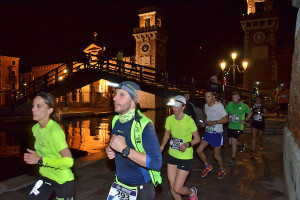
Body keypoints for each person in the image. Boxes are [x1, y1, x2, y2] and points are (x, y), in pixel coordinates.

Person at [105, 81, 162, 200]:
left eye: (122, 95)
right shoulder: (116, 120)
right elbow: (117, 145)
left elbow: (156, 163)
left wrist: (125, 149)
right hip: (119, 186)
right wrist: (110, 149)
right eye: (115, 94)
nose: (114, 98)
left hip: (141, 191)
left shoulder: (145, 125)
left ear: (133, 100)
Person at [24, 92, 74, 200]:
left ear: (50, 110)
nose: (33, 109)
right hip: (45, 177)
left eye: (38, 106)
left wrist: (41, 160)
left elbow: (69, 162)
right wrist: (37, 155)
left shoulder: (55, 132)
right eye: (33, 105)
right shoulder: (35, 129)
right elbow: (48, 150)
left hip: (62, 181)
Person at [160, 95, 200, 200]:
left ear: (183, 107)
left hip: (185, 157)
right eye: (173, 106)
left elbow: (197, 139)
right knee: (172, 188)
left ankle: (191, 192)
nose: (174, 109)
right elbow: (167, 135)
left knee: (178, 188)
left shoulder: (189, 121)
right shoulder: (169, 119)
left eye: (177, 106)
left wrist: (187, 144)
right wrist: (162, 146)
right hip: (172, 155)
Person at [196, 90, 228, 179]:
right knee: (199, 150)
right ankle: (208, 166)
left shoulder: (219, 106)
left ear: (213, 97)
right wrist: (204, 124)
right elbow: (207, 117)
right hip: (208, 133)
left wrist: (215, 122)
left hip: (217, 134)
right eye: (206, 96)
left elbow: (226, 119)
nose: (207, 98)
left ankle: (222, 169)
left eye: (209, 96)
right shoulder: (206, 105)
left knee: (216, 155)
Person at [225, 92, 251, 166]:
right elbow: (225, 112)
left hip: (238, 126)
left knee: (233, 142)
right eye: (233, 98)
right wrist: (227, 118)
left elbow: (250, 113)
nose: (234, 99)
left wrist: (245, 120)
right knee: (230, 143)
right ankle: (242, 144)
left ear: (239, 98)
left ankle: (233, 159)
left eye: (236, 98)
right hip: (230, 126)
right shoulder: (230, 104)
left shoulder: (243, 106)